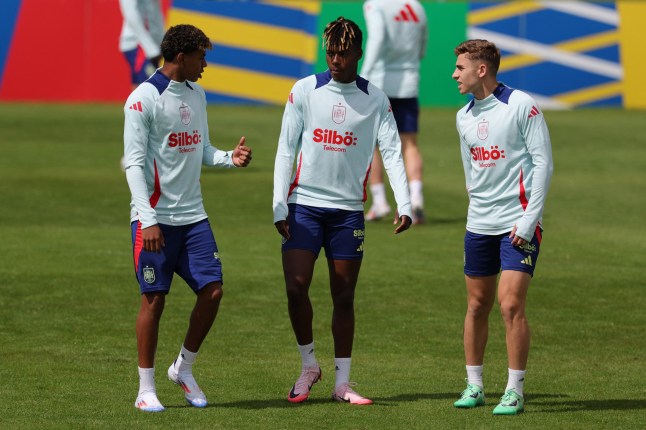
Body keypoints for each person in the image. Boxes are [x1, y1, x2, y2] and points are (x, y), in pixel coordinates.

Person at [273, 17, 412, 406]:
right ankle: (308, 366)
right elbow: (286, 149)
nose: (335, 59)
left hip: (348, 212)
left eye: (343, 53)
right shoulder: (304, 91)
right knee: (295, 286)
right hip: (303, 205)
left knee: (344, 296)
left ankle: (342, 383)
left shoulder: (376, 100)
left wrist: (404, 203)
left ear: (358, 54)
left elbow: (392, 153)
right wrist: (278, 203)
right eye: (330, 51)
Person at [123, 24, 253, 412]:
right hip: (155, 220)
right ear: (181, 57)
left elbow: (202, 148)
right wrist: (147, 219)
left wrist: (229, 157)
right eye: (201, 57)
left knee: (213, 292)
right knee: (154, 300)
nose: (205, 65)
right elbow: (132, 164)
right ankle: (145, 389)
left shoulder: (198, 95)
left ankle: (183, 367)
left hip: (194, 217)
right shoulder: (142, 99)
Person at [451, 39, 553, 415]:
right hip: (479, 222)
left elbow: (543, 164)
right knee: (477, 305)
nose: (453, 74)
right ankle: (474, 385)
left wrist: (528, 221)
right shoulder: (462, 116)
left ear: (481, 70)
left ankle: (514, 390)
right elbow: (469, 170)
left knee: (510, 305)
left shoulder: (521, 106)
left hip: (518, 223)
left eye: (460, 67)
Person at [360, 0, 427, 224]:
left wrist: (364, 73)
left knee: (373, 143)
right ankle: (415, 199)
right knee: (410, 143)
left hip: (379, 81)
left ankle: (380, 202)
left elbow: (377, 39)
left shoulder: (375, 5)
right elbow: (422, 47)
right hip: (409, 81)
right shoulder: (417, 7)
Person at [119, 0, 165, 90]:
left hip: (151, 44)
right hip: (139, 44)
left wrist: (162, 41)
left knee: (141, 89)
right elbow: (131, 15)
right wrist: (151, 48)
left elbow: (156, 13)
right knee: (149, 89)